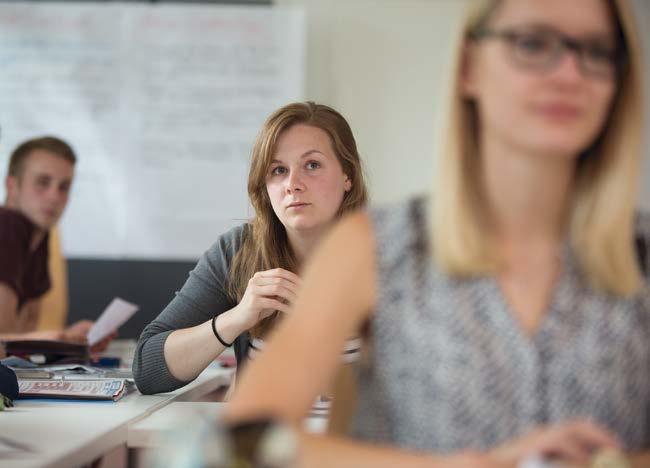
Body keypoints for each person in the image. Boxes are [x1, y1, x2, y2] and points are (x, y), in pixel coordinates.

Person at [226, 0, 650, 467]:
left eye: (597, 51)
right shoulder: (376, 247)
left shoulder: (642, 256)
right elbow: (245, 438)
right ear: (470, 67)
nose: (570, 72)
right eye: (532, 43)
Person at [132, 101, 368, 396]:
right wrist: (237, 318)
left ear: (347, 175)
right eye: (279, 170)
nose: (293, 184)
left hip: (360, 441)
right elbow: (147, 370)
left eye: (312, 165)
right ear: (265, 186)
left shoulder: (391, 254)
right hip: (267, 441)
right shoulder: (238, 251)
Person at [0, 136, 100, 343]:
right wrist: (56, 340)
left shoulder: (39, 236)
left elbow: (18, 337)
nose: (54, 197)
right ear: (11, 185)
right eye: (42, 182)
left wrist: (65, 339)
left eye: (63, 187)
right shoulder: (7, 225)